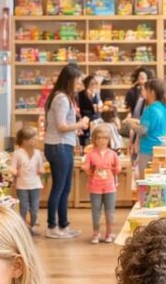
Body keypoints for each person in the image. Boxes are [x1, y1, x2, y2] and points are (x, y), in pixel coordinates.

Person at [43, 64, 90, 239]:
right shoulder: (61, 99)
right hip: (58, 146)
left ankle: (63, 225)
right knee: (59, 187)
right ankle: (52, 226)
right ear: (70, 79)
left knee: (65, 187)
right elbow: (62, 126)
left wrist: (75, 128)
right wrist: (81, 123)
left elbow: (61, 126)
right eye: (77, 79)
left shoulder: (65, 97)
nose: (79, 82)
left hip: (63, 145)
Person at [83, 123, 120, 244]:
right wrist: (89, 170)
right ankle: (96, 233)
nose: (102, 140)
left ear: (109, 139)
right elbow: (86, 167)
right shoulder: (90, 154)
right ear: (94, 139)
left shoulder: (113, 154)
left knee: (110, 211)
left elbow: (118, 167)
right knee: (96, 211)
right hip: (95, 186)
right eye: (99, 138)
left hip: (110, 186)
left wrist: (115, 170)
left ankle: (109, 233)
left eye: (105, 138)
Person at [128, 78, 166, 178]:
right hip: (162, 148)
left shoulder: (150, 109)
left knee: (145, 183)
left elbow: (142, 130)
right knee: (159, 182)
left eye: (145, 90)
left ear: (152, 92)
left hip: (148, 150)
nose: (143, 92)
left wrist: (131, 123)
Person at [11, 126, 46, 236]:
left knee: (35, 207)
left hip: (35, 185)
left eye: (35, 139)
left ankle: (33, 225)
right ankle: (22, 227)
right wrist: (13, 172)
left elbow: (41, 167)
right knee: (23, 207)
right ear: (24, 141)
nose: (35, 141)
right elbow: (12, 167)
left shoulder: (37, 153)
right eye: (32, 139)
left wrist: (41, 170)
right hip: (22, 185)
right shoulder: (17, 153)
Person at [76, 73, 103, 147]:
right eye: (92, 84)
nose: (94, 86)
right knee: (86, 143)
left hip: (96, 121)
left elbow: (100, 108)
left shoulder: (96, 94)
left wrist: (99, 108)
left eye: (95, 84)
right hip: (85, 121)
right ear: (87, 84)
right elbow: (78, 110)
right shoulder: (80, 95)